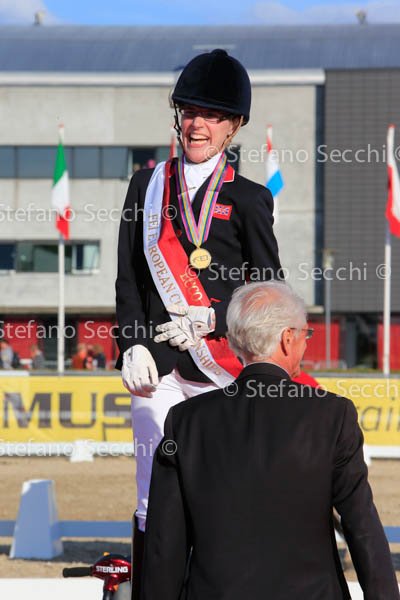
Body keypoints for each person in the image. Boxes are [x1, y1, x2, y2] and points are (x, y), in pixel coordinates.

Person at [115, 48, 283, 598]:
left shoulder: (251, 199)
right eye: (190, 111)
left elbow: (271, 289)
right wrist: (131, 344)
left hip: (223, 369)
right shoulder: (145, 188)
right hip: (158, 368)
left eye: (212, 115)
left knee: (223, 492)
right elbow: (128, 279)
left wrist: (216, 317)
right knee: (152, 493)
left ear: (234, 126)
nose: (197, 125)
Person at [142, 281, 399, 600]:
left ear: (233, 342)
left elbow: (164, 541)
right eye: (306, 334)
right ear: (288, 339)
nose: (305, 343)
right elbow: (361, 525)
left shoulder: (186, 421)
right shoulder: (332, 415)